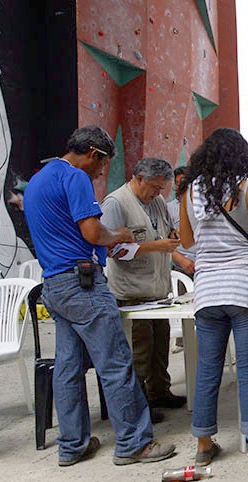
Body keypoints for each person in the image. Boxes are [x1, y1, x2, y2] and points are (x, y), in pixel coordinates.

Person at [23, 125, 175, 467]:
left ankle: (72, 444)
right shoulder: (76, 177)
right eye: (102, 164)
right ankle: (134, 443)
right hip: (83, 283)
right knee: (115, 363)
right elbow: (92, 232)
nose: (101, 171)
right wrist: (117, 233)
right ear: (94, 154)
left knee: (68, 367)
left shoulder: (38, 181)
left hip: (54, 284)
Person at [178, 127, 248, 476]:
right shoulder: (247, 188)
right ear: (242, 155)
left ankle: (203, 446)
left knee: (207, 370)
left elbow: (186, 241)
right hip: (245, 288)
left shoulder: (190, 192)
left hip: (208, 290)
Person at [101, 158, 185, 411]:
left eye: (162, 189)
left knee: (160, 347)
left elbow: (167, 230)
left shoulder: (157, 202)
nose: (158, 193)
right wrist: (155, 246)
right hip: (132, 292)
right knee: (139, 351)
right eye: (154, 187)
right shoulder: (116, 203)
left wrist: (171, 238)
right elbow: (112, 250)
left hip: (158, 290)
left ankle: (160, 391)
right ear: (138, 178)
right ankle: (138, 404)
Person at [167, 166, 196, 276]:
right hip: (182, 269)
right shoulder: (169, 209)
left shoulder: (202, 206)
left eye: (184, 182)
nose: (180, 186)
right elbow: (163, 240)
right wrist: (182, 260)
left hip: (205, 266)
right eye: (177, 183)